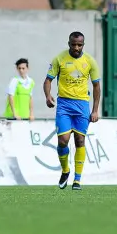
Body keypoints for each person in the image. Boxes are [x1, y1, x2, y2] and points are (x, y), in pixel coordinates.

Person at [43, 31, 101, 191]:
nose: (76, 47)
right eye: (74, 44)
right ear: (69, 43)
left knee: (80, 141)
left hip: (82, 105)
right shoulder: (59, 59)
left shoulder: (89, 61)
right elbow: (48, 80)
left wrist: (95, 110)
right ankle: (65, 171)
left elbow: (97, 86)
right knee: (63, 140)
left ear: (83, 45)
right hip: (64, 105)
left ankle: (77, 180)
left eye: (79, 45)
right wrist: (48, 96)